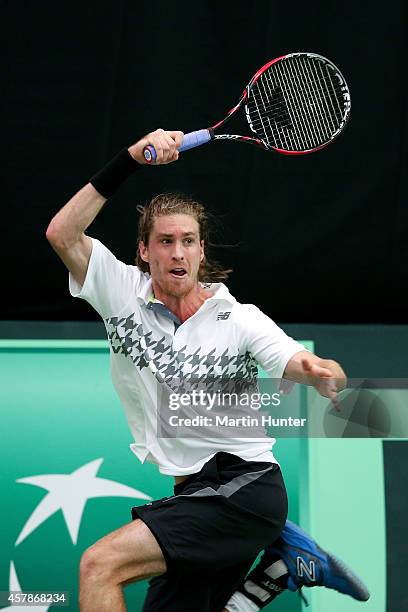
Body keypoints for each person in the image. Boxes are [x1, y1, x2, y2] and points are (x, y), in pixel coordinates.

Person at [46, 129, 369, 611]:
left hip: (245, 488)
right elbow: (61, 233)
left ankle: (277, 555)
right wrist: (129, 160)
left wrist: (322, 371)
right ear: (144, 251)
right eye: (166, 242)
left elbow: (293, 359)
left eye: (188, 242)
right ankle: (281, 569)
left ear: (201, 251)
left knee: (100, 565)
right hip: (194, 497)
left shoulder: (238, 317)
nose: (178, 253)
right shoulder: (118, 292)